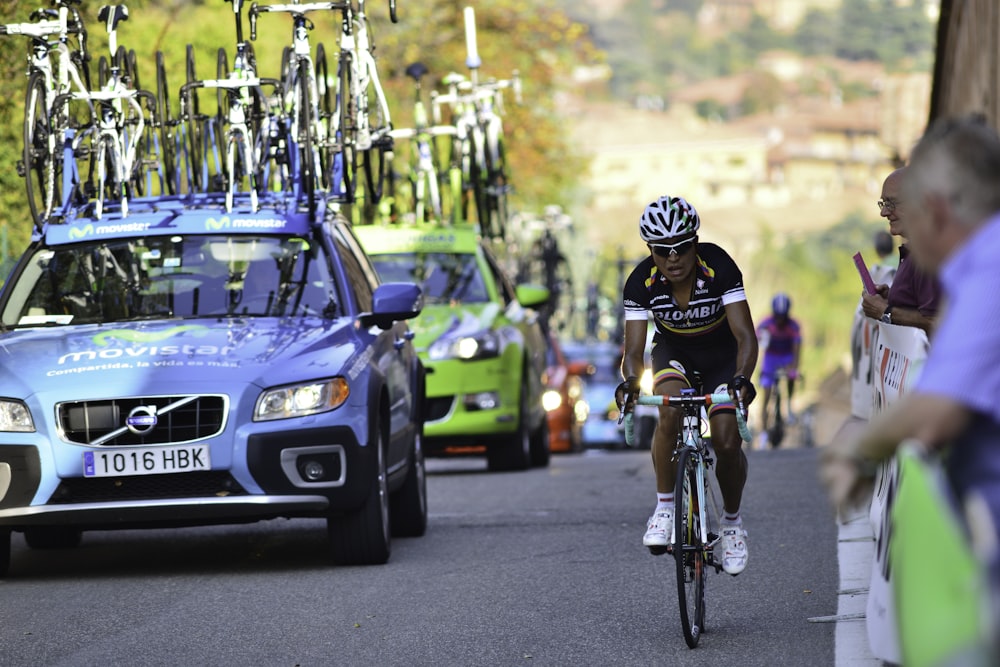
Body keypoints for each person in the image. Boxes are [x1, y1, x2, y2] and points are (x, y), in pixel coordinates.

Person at [820, 114, 1000, 590]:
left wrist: (859, 450)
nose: (890, 221)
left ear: (936, 209)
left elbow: (936, 407)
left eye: (902, 209)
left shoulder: (987, 267)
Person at [617, 195, 758, 575]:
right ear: (651, 251)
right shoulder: (640, 282)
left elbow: (745, 336)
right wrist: (630, 382)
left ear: (696, 243)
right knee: (670, 408)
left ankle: (731, 523)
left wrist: (742, 378)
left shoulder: (720, 266)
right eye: (662, 250)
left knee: (727, 439)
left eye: (681, 247)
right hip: (674, 353)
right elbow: (633, 351)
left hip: (721, 356)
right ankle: (665, 507)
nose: (673, 257)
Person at [860, 167, 942, 334]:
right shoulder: (917, 249)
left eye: (891, 203)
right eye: (883, 204)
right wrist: (893, 297)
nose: (884, 212)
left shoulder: (929, 252)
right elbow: (922, 306)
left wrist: (886, 311)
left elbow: (940, 324)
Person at [755, 293, 802, 448]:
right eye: (778, 316)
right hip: (771, 358)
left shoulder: (793, 326)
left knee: (791, 376)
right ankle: (762, 432)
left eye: (783, 317)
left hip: (786, 356)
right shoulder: (766, 324)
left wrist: (794, 368)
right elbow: (758, 342)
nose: (781, 320)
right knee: (766, 394)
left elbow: (796, 349)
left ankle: (788, 404)